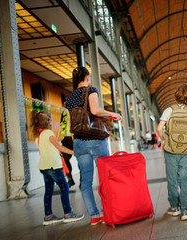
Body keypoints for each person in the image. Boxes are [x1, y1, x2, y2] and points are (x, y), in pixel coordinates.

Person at [65, 66, 122, 225]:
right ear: (87, 77)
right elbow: (95, 110)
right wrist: (113, 114)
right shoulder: (90, 90)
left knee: (86, 182)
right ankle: (108, 212)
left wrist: (76, 140)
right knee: (106, 178)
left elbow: (71, 123)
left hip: (79, 143)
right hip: (95, 141)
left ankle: (94, 216)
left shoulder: (69, 98)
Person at [30, 110, 84, 226]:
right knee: (64, 186)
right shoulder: (49, 133)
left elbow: (45, 151)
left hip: (44, 167)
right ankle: (68, 213)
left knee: (48, 190)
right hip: (53, 166)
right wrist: (73, 152)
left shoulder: (39, 136)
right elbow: (58, 146)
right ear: (48, 121)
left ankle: (48, 216)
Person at [157, 84, 187, 221]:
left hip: (170, 150)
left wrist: (165, 139)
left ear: (177, 95)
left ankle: (175, 207)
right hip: (184, 151)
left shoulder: (169, 110)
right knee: (183, 179)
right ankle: (186, 210)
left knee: (171, 179)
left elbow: (159, 129)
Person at [56, 103, 75, 187]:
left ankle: (82, 180)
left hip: (74, 139)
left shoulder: (75, 113)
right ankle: (70, 179)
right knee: (65, 159)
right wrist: (56, 139)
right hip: (66, 140)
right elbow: (60, 126)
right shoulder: (63, 114)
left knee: (80, 160)